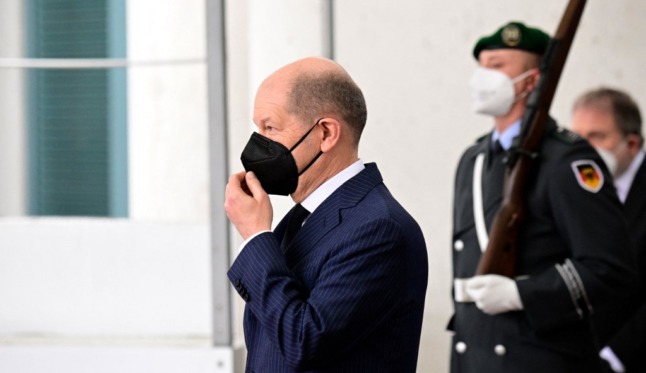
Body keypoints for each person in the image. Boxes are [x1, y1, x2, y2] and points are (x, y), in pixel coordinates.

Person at [448, 22, 638, 373]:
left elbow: (608, 267)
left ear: (532, 81)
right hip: (474, 353)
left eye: (498, 66)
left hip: (535, 358)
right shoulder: (472, 161)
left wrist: (523, 294)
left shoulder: (566, 160)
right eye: (482, 66)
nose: (483, 77)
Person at [224, 56, 428, 372]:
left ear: (326, 134)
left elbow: (303, 341)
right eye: (258, 129)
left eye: (271, 127)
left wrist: (255, 236)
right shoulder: (299, 218)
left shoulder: (379, 229)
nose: (257, 145)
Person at [571, 87, 646, 373]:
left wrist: (615, 357)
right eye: (578, 136)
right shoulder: (577, 186)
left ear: (631, 144)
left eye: (597, 136)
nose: (583, 148)